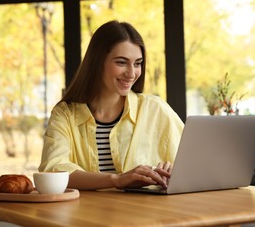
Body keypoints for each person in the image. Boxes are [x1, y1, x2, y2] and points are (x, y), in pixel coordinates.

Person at [38, 20, 184, 190]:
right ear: (98, 62)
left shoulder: (157, 110)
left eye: (137, 63)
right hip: (86, 216)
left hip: (147, 215)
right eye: (121, 62)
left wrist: (175, 171)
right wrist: (116, 180)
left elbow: (194, 165)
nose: (131, 73)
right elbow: (53, 171)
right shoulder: (65, 115)